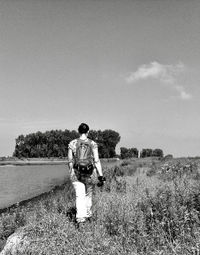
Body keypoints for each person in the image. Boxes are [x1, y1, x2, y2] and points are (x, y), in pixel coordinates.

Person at [68, 123, 105, 225]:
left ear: (78, 131)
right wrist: (100, 175)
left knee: (79, 195)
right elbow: (97, 161)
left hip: (76, 173)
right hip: (90, 174)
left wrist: (71, 172)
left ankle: (80, 220)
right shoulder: (93, 143)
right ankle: (88, 216)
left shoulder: (72, 143)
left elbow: (70, 161)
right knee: (88, 195)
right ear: (88, 132)